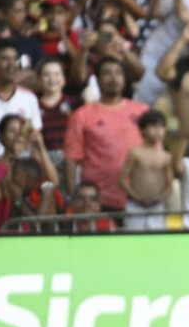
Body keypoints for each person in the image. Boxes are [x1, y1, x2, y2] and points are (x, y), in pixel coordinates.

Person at [64, 56, 149, 212]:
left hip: (139, 198)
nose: (113, 78)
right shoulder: (82, 114)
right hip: (97, 202)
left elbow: (156, 151)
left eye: (118, 73)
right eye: (107, 73)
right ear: (97, 79)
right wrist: (73, 198)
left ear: (125, 78)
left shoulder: (142, 111)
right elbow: (71, 159)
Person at [118, 109, 175, 231]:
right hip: (135, 205)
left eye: (161, 127)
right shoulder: (135, 153)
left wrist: (159, 198)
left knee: (157, 238)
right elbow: (122, 179)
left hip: (157, 206)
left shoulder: (166, 156)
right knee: (134, 236)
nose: (158, 131)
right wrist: (136, 196)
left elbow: (169, 185)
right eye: (153, 126)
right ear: (142, 130)